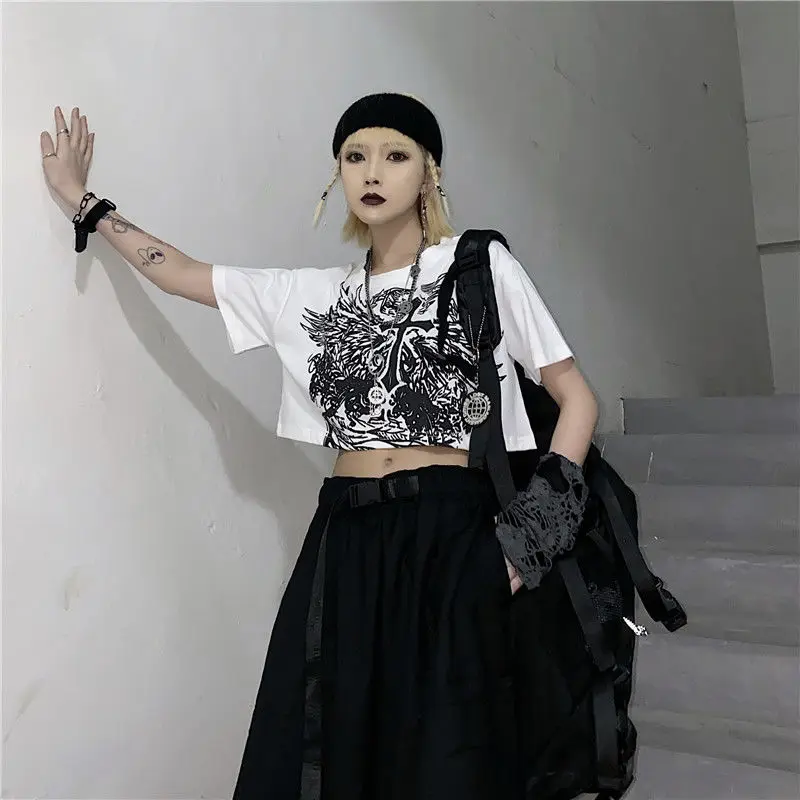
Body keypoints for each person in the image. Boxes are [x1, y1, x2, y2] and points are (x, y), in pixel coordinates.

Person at [41, 93, 599, 799]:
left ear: (428, 173)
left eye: (395, 155)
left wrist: (527, 543)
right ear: (338, 174)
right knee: (321, 738)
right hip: (346, 532)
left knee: (447, 747)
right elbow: (177, 272)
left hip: (451, 528)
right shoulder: (309, 295)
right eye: (355, 156)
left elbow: (576, 398)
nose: (373, 171)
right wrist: (81, 200)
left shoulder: (477, 267)